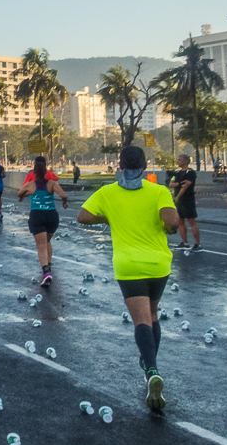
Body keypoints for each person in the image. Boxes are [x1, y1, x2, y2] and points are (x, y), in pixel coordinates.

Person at [77, 145, 179, 412]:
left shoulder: (108, 192)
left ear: (119, 165)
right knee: (153, 314)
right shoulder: (158, 191)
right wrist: (168, 227)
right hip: (158, 264)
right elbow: (172, 220)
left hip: (129, 265)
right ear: (145, 166)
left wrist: (109, 218)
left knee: (141, 320)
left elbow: (83, 216)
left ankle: (151, 370)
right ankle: (150, 363)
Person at [17, 156, 68, 286]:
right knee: (46, 241)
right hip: (51, 216)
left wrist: (24, 196)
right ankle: (49, 265)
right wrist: (64, 202)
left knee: (41, 246)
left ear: (34, 172)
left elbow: (19, 193)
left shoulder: (30, 185)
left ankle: (46, 273)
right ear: (46, 172)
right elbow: (63, 194)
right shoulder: (52, 184)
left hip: (37, 216)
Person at [170, 154, 200, 250]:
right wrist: (178, 183)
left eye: (179, 160)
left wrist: (177, 197)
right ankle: (184, 242)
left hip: (188, 199)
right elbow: (171, 184)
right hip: (179, 202)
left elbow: (186, 185)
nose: (178, 161)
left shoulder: (190, 173)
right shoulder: (177, 173)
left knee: (191, 221)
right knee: (180, 221)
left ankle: (197, 244)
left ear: (185, 161)